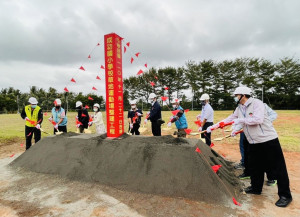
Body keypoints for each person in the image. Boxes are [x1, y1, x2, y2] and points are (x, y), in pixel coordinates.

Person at [207, 86, 292, 207]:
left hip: (268, 140)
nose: (236, 97)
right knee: (255, 167)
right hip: (253, 142)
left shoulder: (257, 104)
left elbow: (258, 119)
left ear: (243, 95)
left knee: (278, 168)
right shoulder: (240, 108)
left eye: (237, 95)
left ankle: (285, 196)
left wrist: (240, 121)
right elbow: (231, 118)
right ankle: (256, 188)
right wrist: (214, 126)